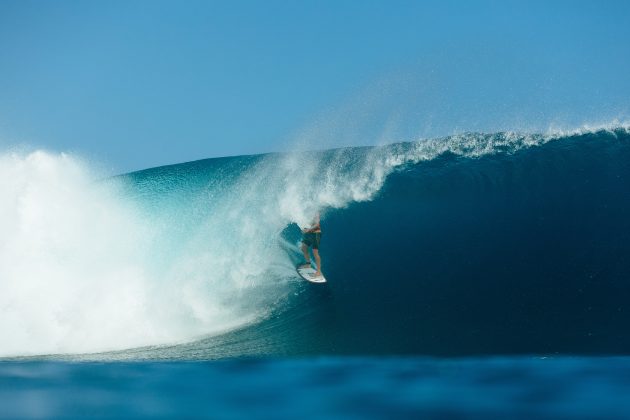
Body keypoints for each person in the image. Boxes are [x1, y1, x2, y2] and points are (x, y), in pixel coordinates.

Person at [299, 212, 323, 278]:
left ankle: (319, 271)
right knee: (303, 248)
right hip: (308, 233)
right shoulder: (305, 209)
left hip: (316, 234)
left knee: (315, 252)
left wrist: (308, 229)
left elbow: (317, 224)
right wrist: (303, 229)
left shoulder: (315, 211)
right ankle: (308, 264)